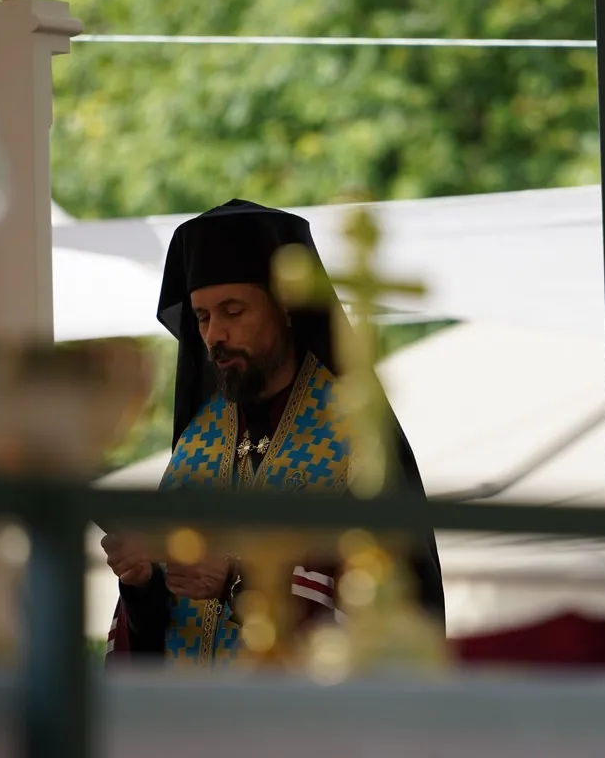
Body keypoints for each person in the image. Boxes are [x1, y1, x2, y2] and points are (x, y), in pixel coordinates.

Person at [101, 199, 444, 668]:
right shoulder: (197, 444)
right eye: (203, 317)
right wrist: (141, 583)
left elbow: (394, 609)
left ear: (285, 308)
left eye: (233, 311)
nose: (215, 335)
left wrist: (235, 582)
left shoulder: (353, 431)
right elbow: (161, 634)